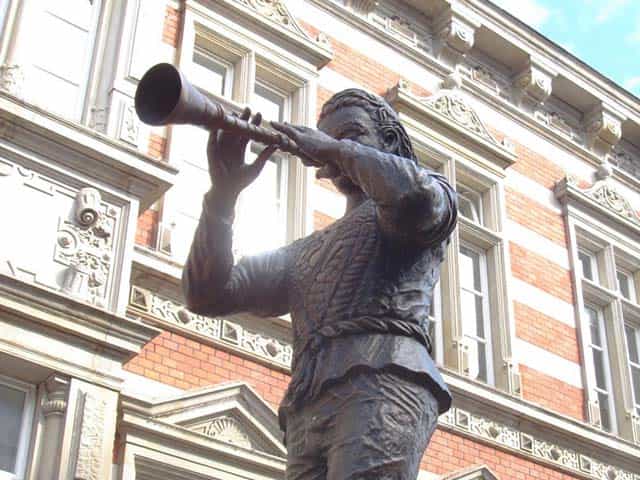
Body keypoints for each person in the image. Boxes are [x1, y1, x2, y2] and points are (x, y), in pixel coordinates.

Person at [182, 88, 458, 480]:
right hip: (308, 404)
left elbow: (415, 199)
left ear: (388, 140)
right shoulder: (303, 253)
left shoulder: (425, 193)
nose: (331, 147)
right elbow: (206, 294)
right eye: (326, 138)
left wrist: (333, 149)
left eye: (350, 134)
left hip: (384, 379)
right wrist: (222, 197)